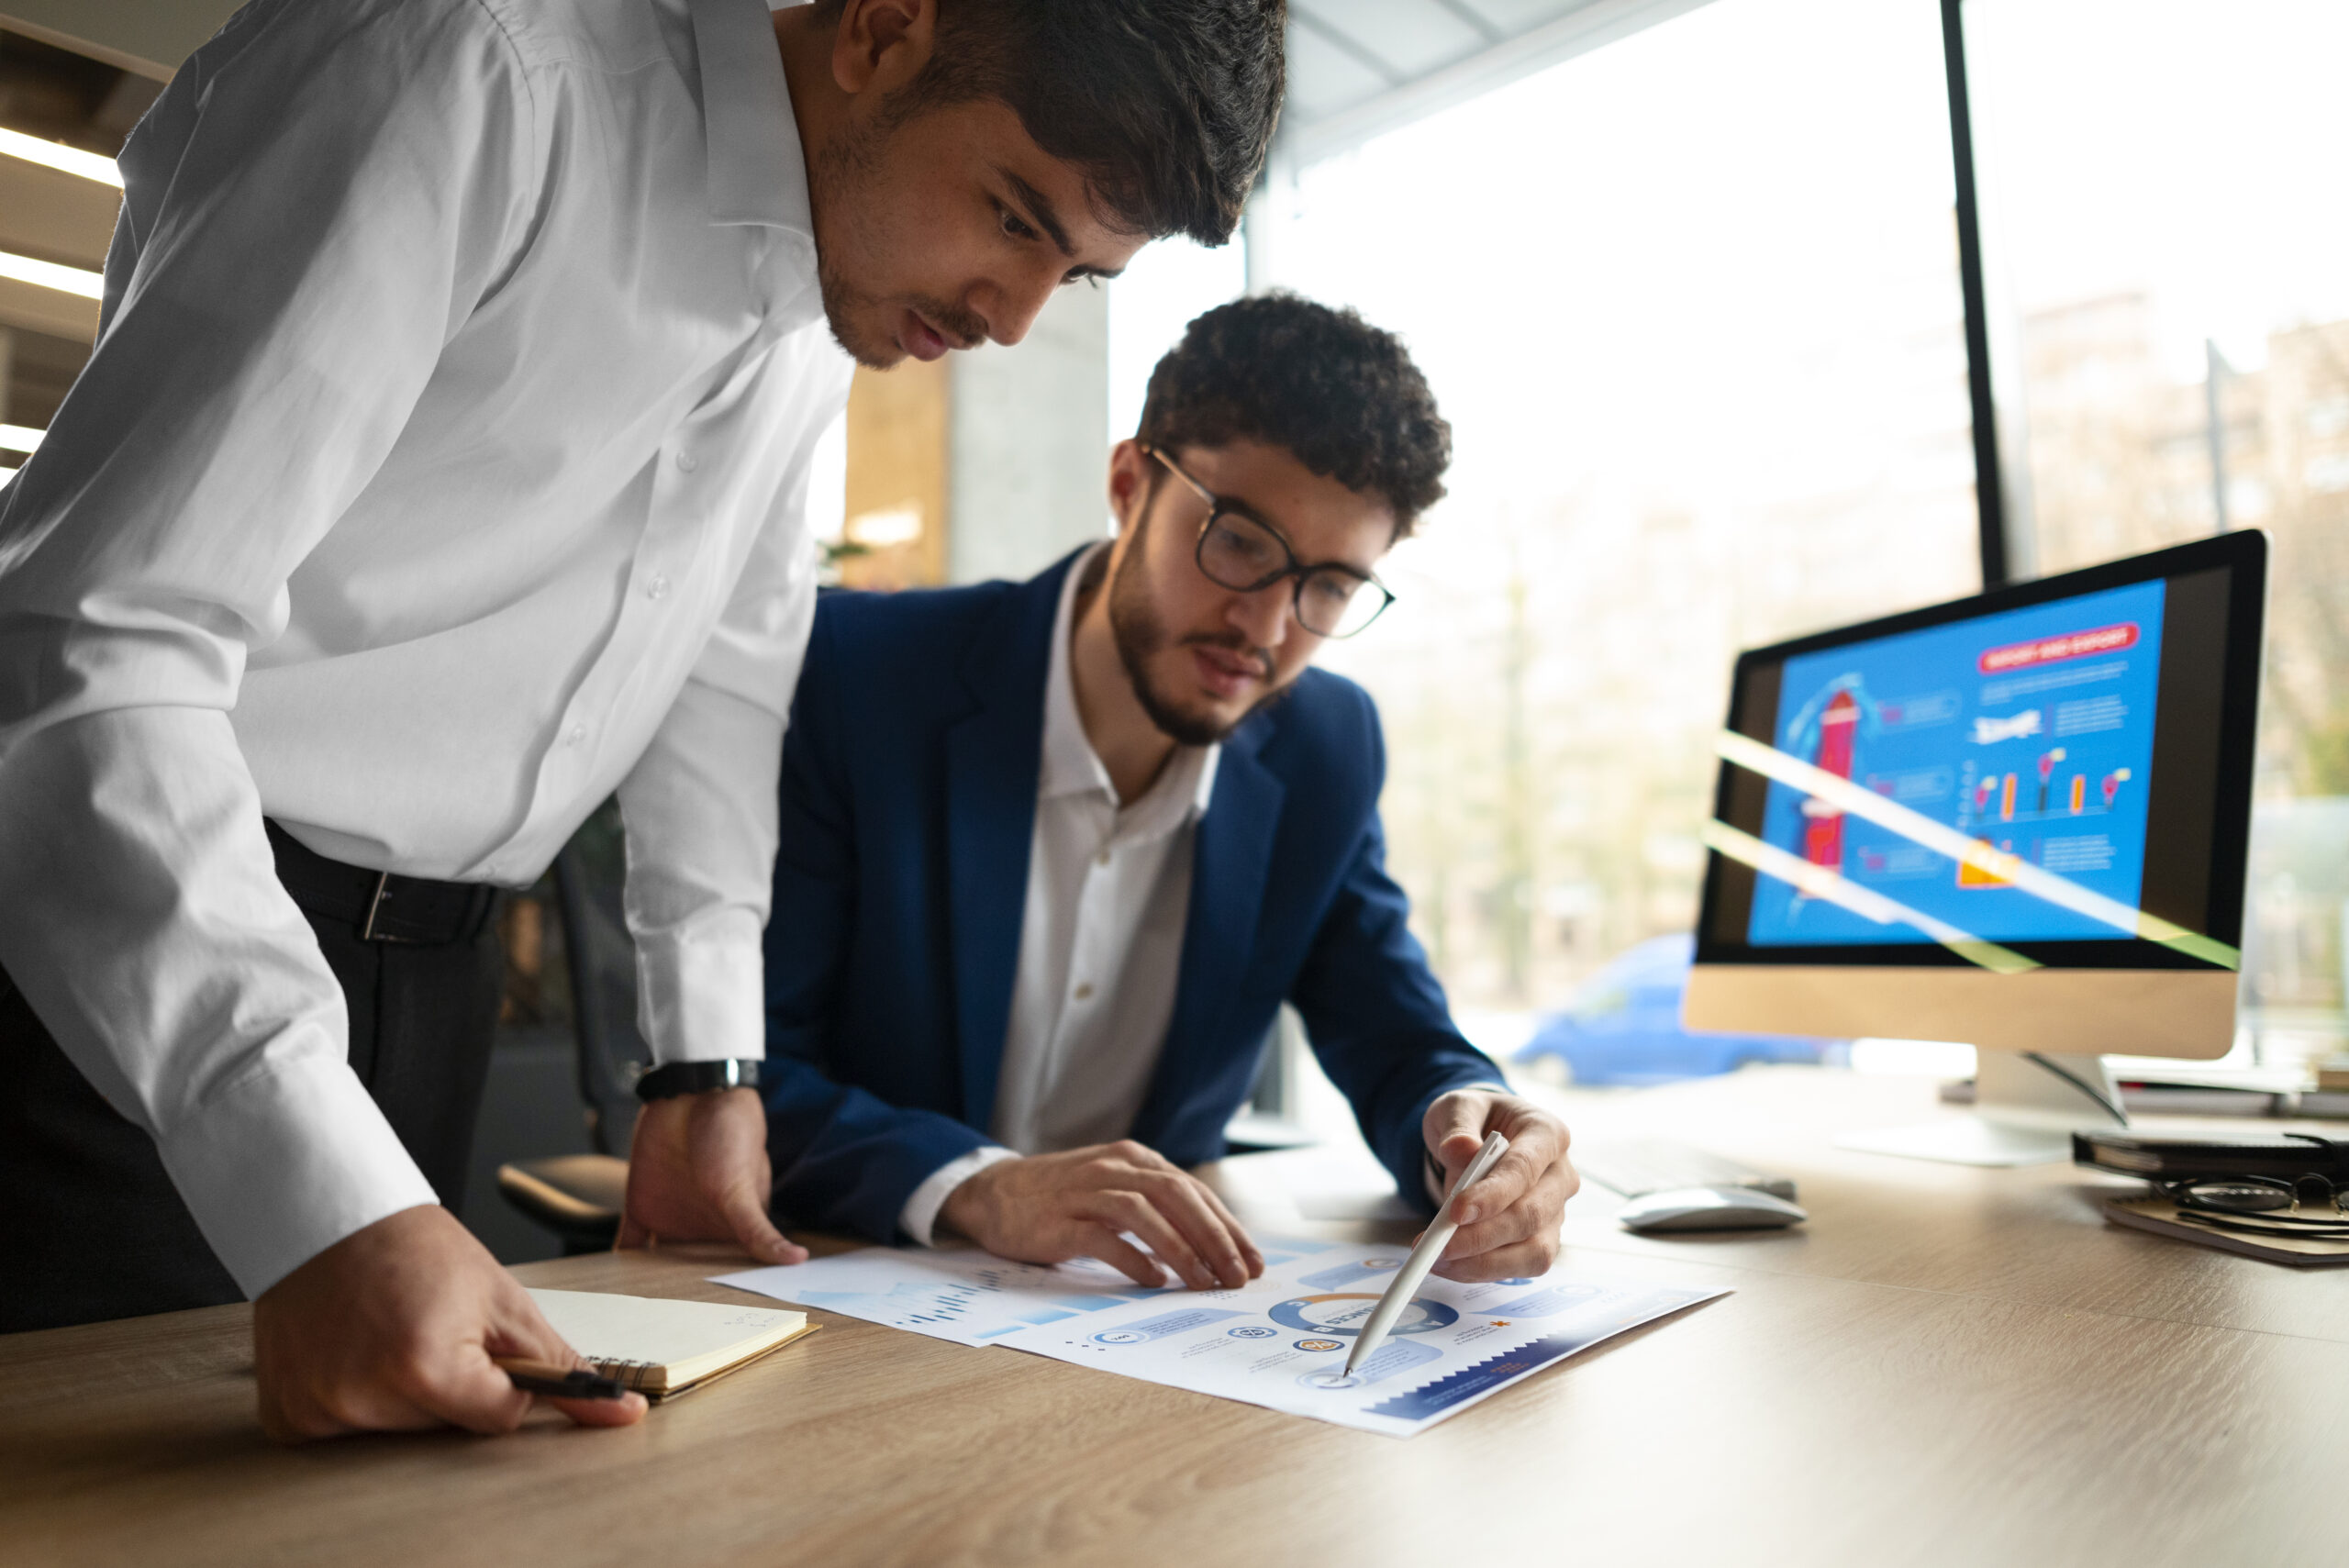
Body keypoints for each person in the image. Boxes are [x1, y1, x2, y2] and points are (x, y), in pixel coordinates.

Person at [0, 0, 1284, 1441]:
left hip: (438, 979)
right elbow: (97, 633)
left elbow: (716, 684)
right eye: (1011, 214)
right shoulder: (472, 65)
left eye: (1077, 276)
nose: (1010, 315)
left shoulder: (831, 300)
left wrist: (704, 1069)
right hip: (134, 963)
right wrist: (311, 1175)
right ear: (884, 28)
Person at [760, 295, 1579, 1291]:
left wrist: (1474, 1127)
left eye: (1328, 586)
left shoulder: (1326, 746)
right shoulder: (861, 678)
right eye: (1239, 541)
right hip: (856, 1290)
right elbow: (746, 1074)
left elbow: (1394, 1035)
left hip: (1143, 1332)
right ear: (1127, 484)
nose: (1269, 626)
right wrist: (983, 1185)